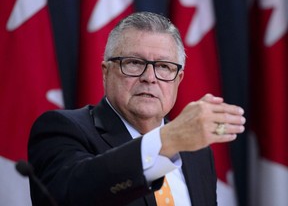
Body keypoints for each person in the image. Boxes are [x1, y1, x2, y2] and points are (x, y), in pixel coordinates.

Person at [28, 11, 245, 206]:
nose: (149, 78)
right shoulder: (62, 129)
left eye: (163, 66)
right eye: (134, 63)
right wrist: (166, 141)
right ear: (106, 72)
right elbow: (68, 197)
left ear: (178, 79)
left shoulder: (197, 153)